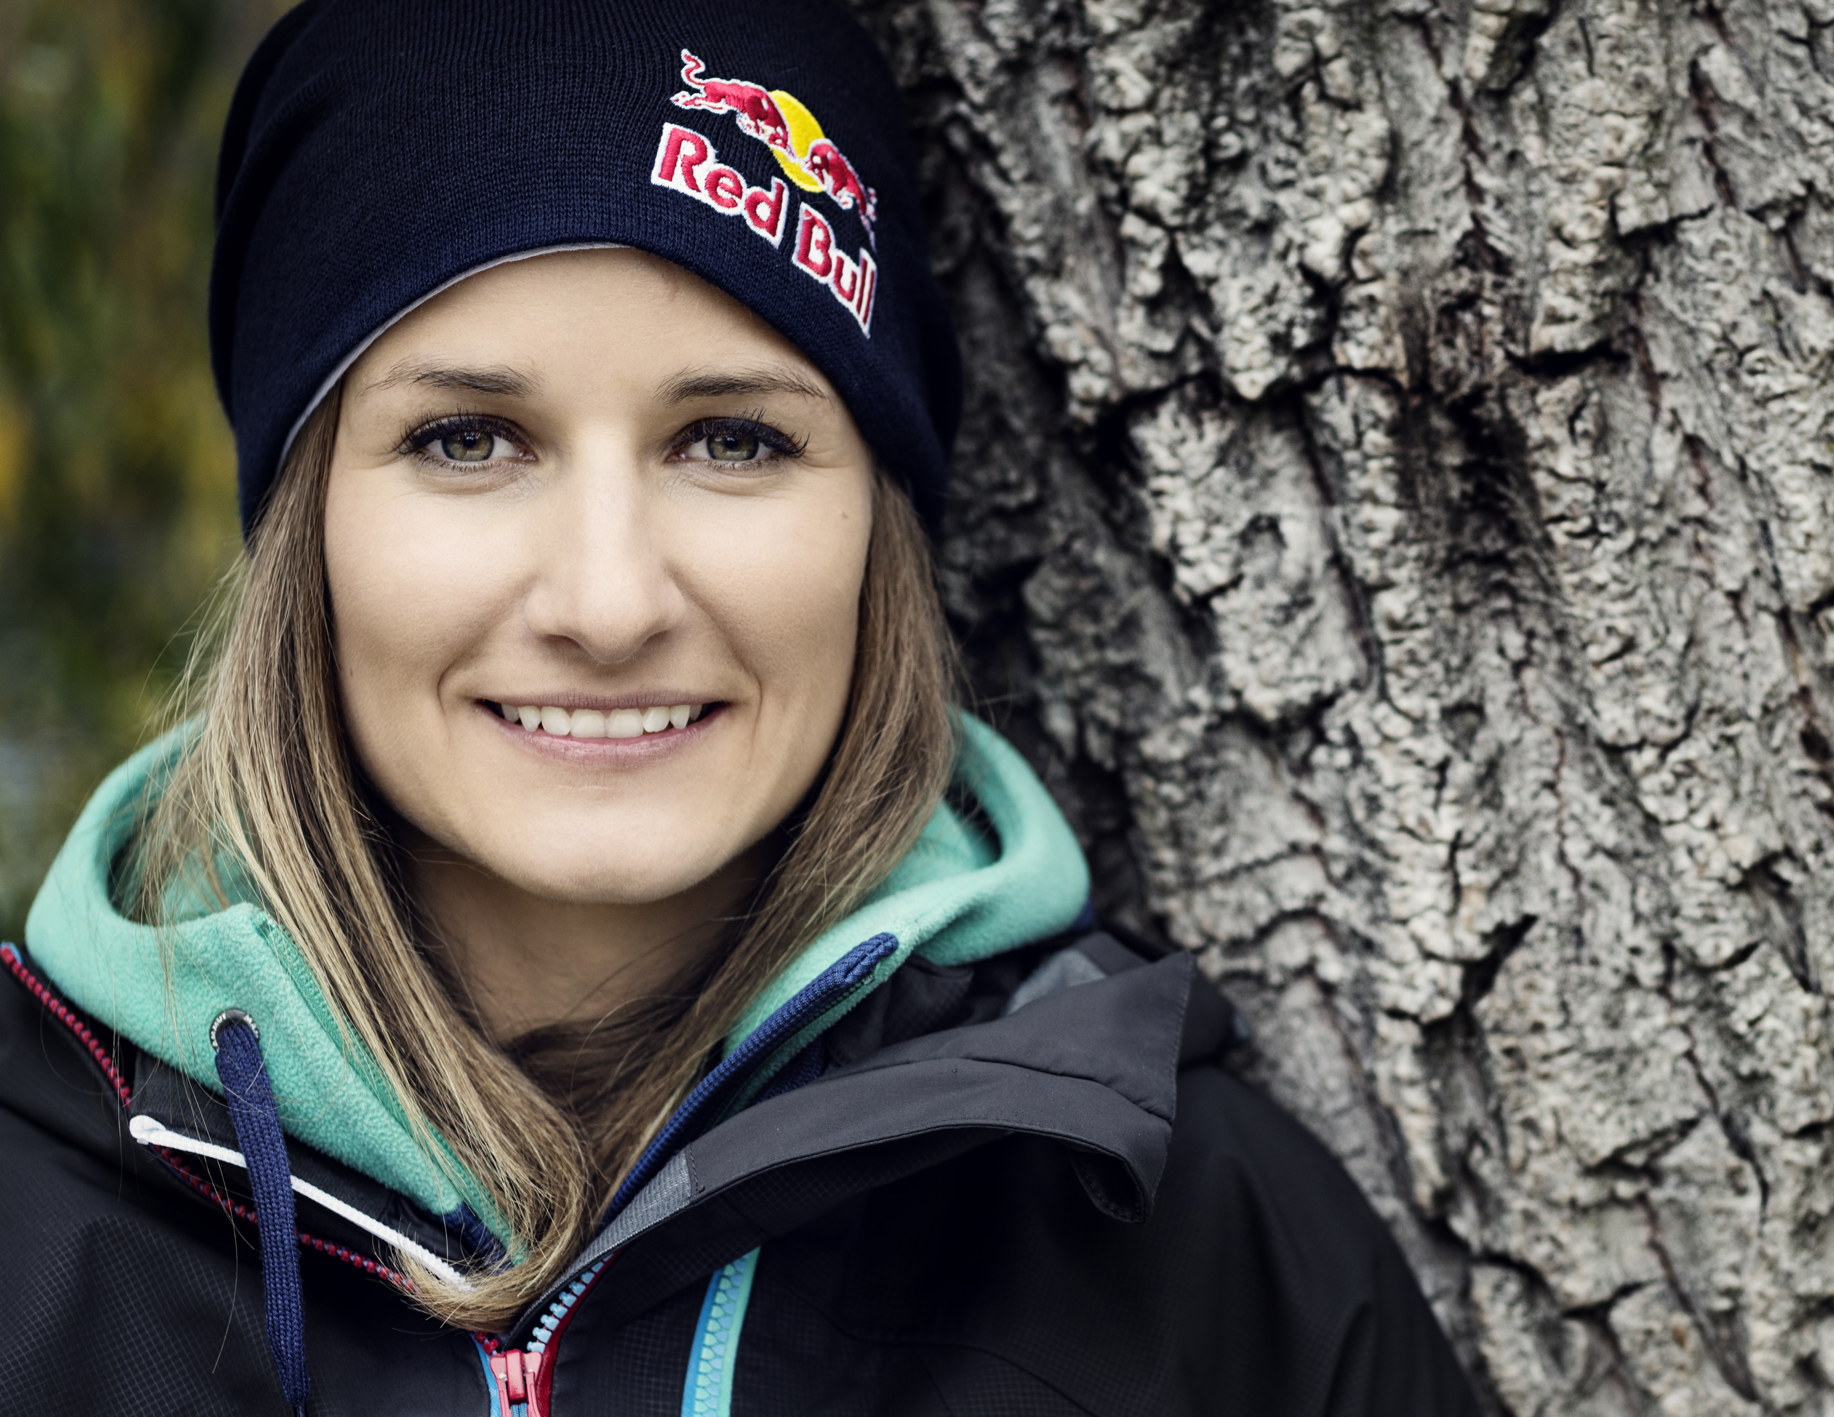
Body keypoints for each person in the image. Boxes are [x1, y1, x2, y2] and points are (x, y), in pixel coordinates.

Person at [0, 2, 1481, 1413]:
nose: (608, 603)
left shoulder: (1203, 1258)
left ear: (878, 524)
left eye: (731, 440)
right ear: (306, 528)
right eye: (467, 438)